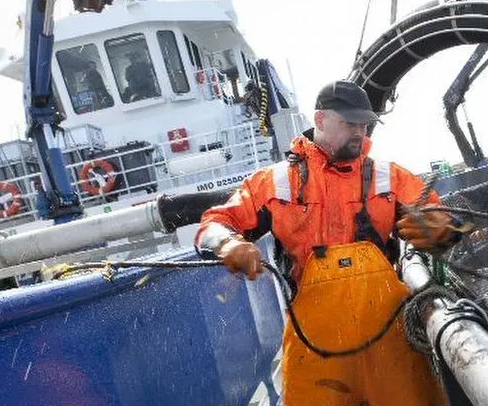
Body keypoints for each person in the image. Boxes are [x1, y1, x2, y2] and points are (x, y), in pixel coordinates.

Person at [196, 81, 464, 406]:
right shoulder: (275, 183)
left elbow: (442, 220)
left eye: (364, 124)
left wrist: (444, 231)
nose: (359, 131)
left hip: (390, 343)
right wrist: (228, 244)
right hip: (315, 351)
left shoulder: (388, 177)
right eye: (349, 123)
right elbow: (213, 224)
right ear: (320, 120)